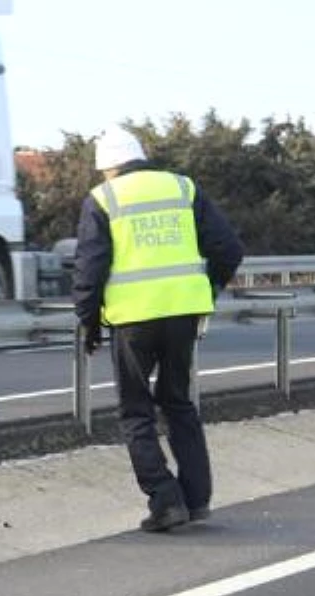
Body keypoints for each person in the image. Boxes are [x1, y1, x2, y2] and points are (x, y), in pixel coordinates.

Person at [72, 126, 244, 532]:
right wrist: (208, 288)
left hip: (133, 319)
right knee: (178, 401)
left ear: (106, 168)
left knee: (136, 411)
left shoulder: (103, 199)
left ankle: (166, 500)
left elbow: (90, 270)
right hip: (183, 314)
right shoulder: (182, 188)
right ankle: (197, 498)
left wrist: (89, 321)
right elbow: (229, 249)